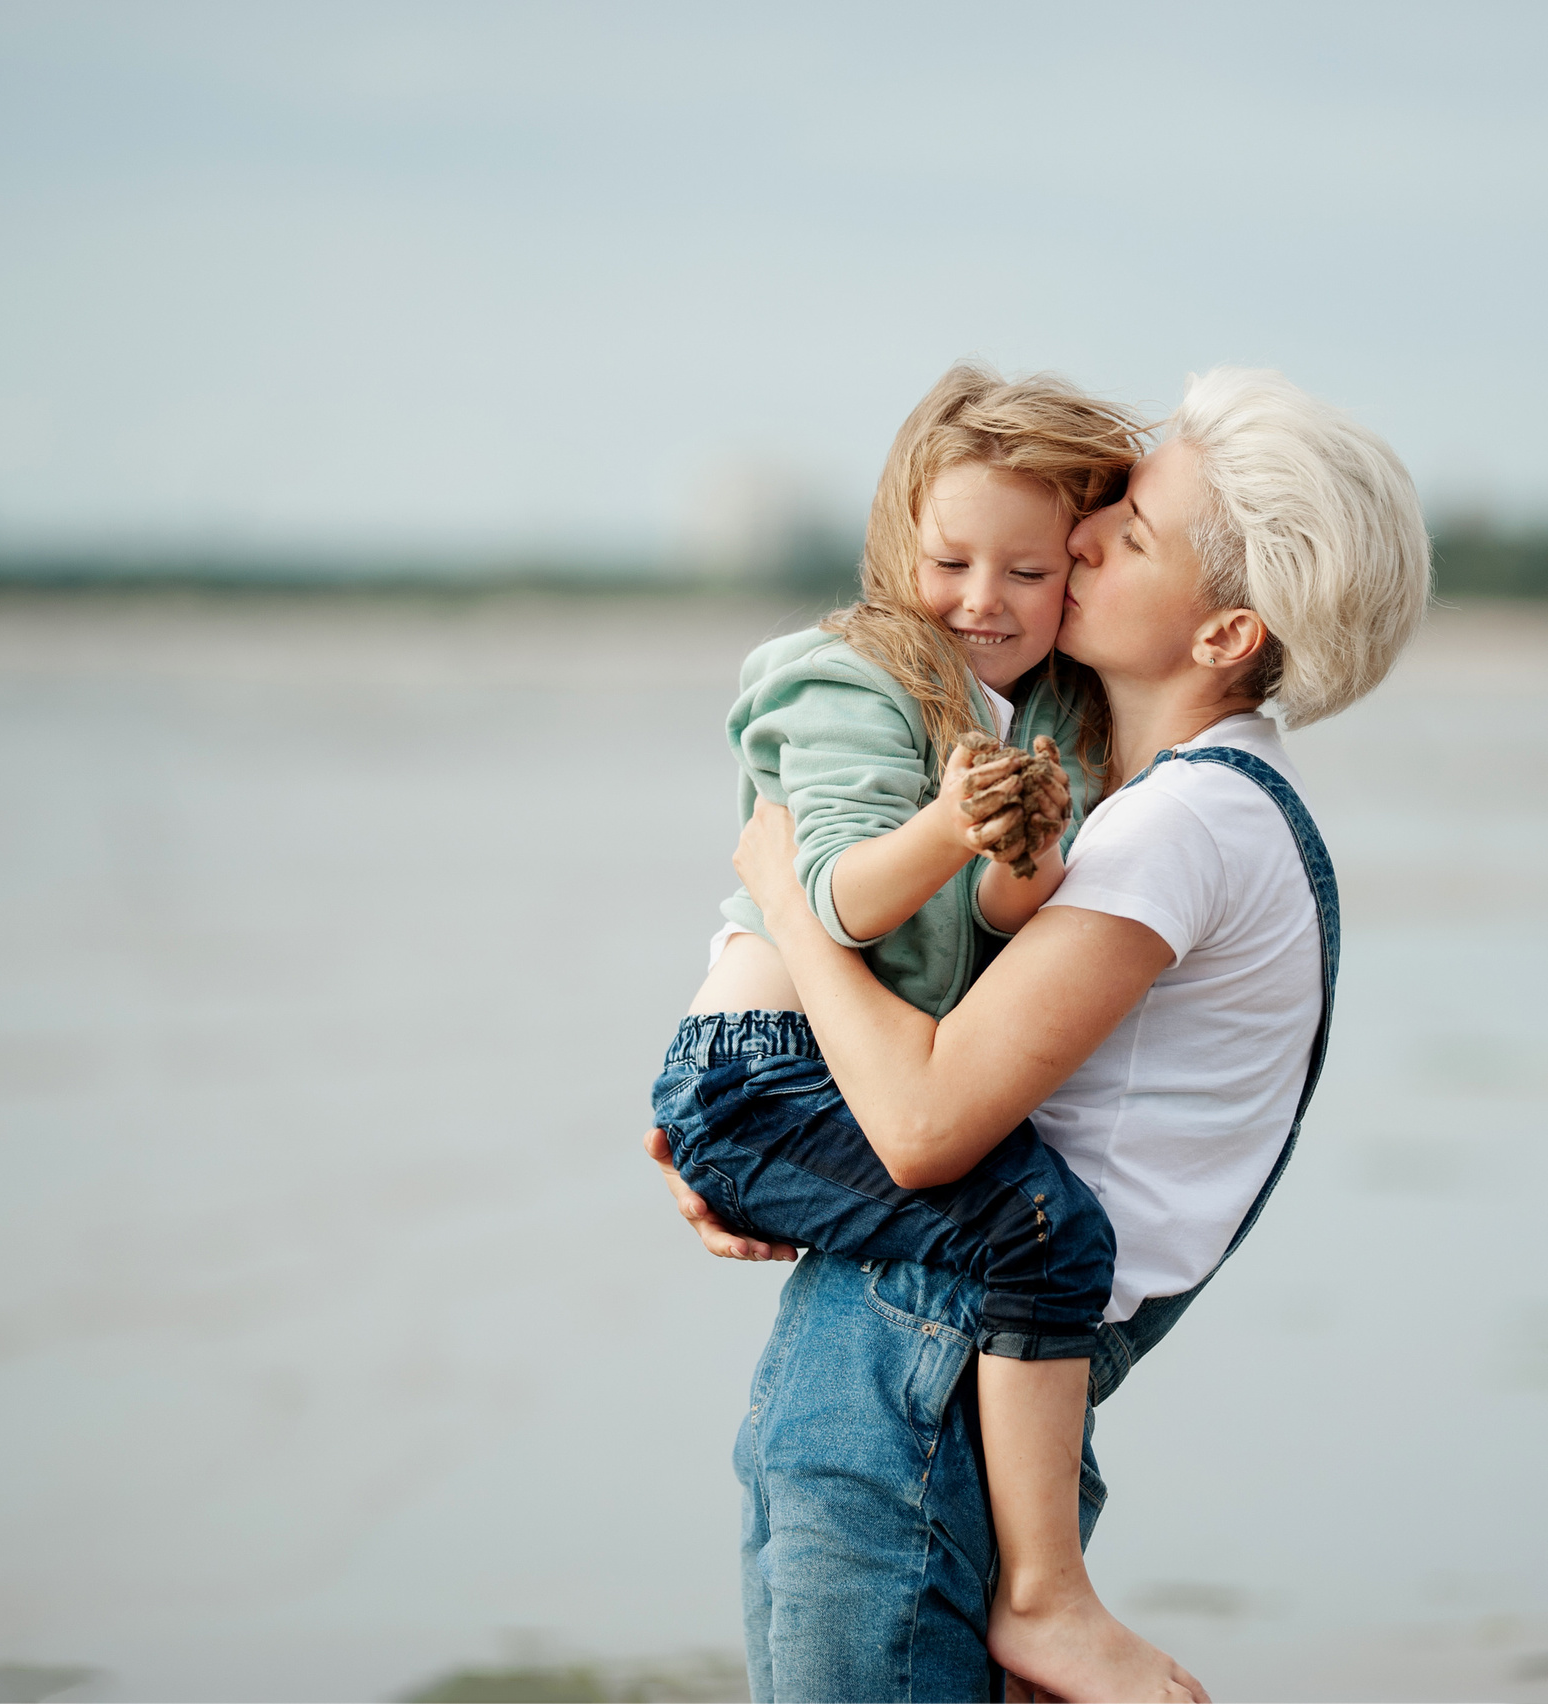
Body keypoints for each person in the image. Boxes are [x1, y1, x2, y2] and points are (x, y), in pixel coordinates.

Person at [647, 367, 1430, 1702]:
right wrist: (747, 1131)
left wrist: (781, 899)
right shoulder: (1199, 803)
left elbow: (920, 1124)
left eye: (1126, 531)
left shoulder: (1179, 825)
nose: (1078, 540)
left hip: (911, 1396)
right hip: (927, 1380)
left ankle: (1050, 1601)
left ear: (1228, 633)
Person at [651, 365, 1194, 1696]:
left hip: (845, 1071)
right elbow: (830, 893)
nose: (985, 603)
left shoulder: (1053, 709)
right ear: (901, 542)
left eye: (1029, 570)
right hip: (760, 1078)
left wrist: (1022, 844)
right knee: (1038, 1231)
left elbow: (1003, 918)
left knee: (1020, 1243)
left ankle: (1022, 1576)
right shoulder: (846, 680)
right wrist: (951, 824)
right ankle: (1046, 1594)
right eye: (952, 561)